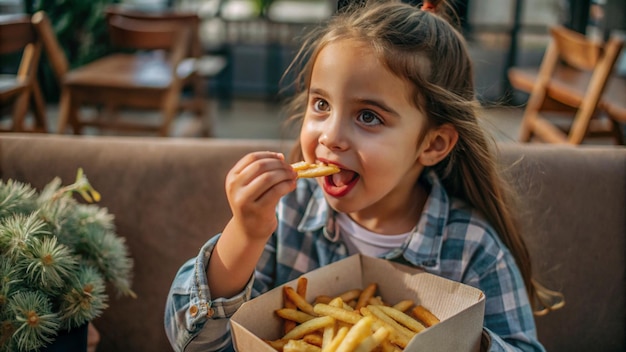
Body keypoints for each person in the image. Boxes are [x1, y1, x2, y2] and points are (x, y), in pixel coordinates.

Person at [164, 0, 563, 351]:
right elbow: (193, 341)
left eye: (368, 116)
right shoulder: (285, 217)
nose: (331, 137)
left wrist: (456, 340)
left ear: (433, 144)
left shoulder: (472, 249)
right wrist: (244, 233)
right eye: (320, 104)